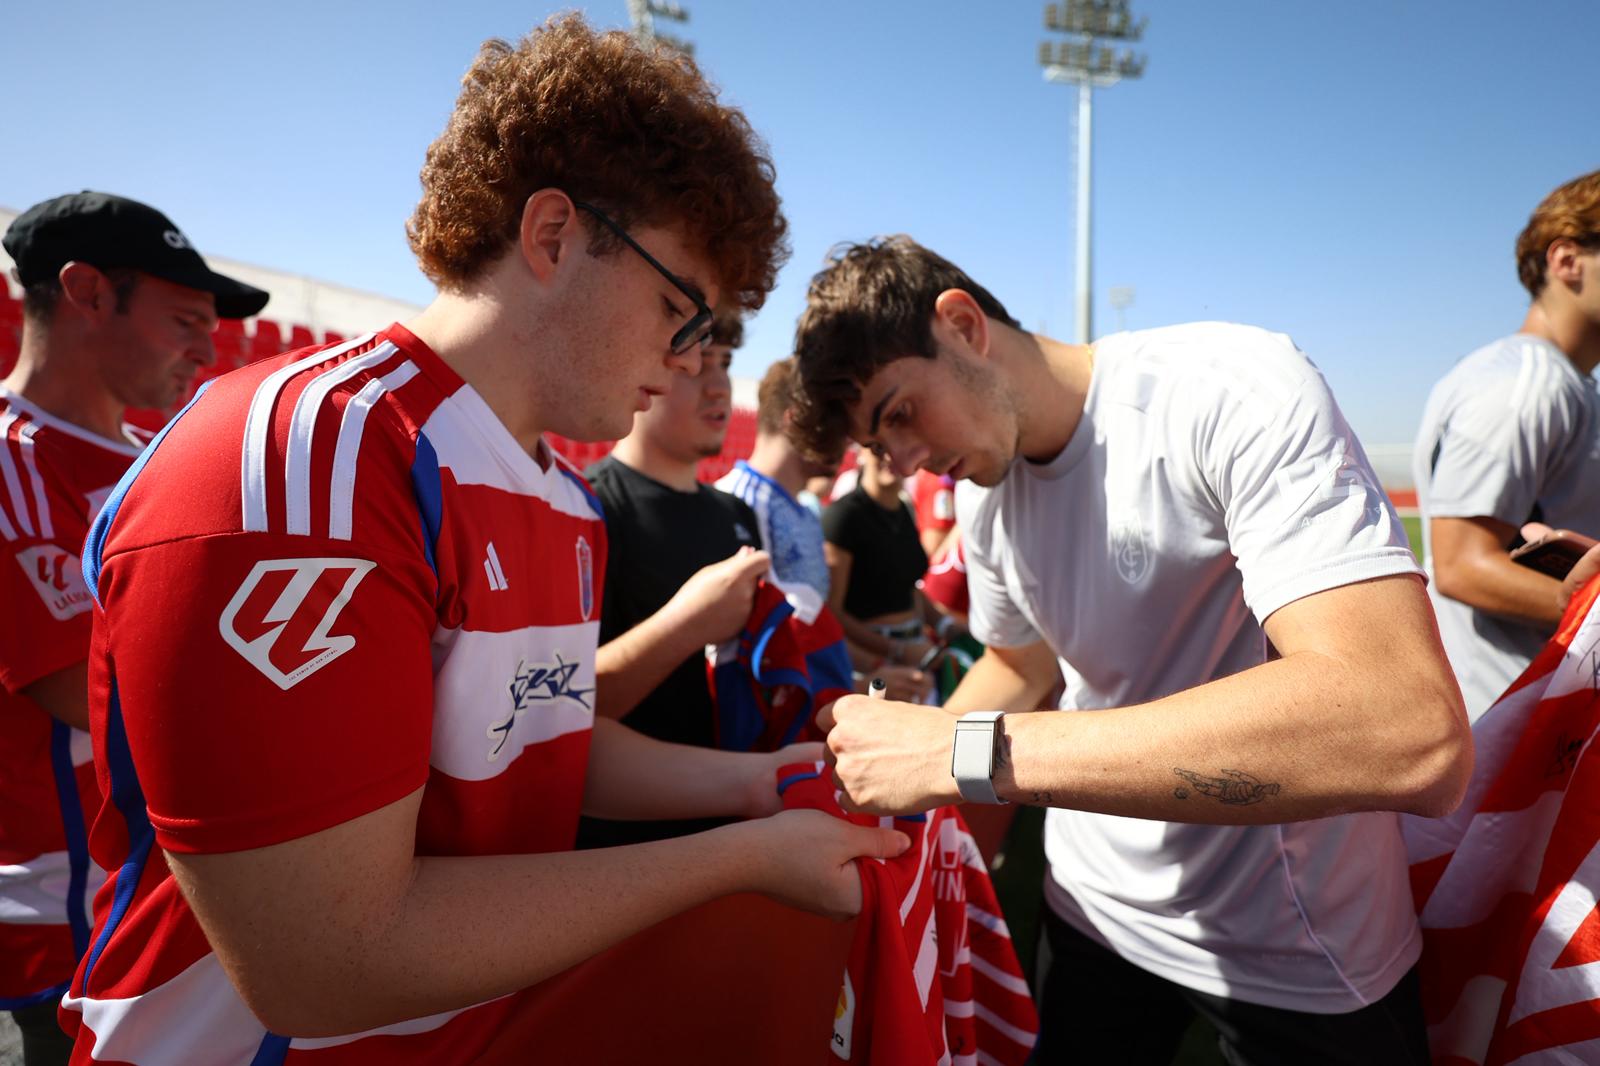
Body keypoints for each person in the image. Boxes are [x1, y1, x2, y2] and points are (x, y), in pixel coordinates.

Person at [59, 20, 907, 1064]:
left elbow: (540, 745)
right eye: (680, 308)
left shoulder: (558, 493)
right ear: (551, 235)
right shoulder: (302, 458)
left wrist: (765, 781)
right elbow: (321, 961)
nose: (689, 358)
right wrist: (742, 855)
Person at [789, 236, 1472, 1065]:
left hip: (1298, 943)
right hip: (1094, 906)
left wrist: (961, 749)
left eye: (898, 412)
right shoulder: (985, 496)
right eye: (878, 444)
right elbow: (1024, 664)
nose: (904, 460)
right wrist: (894, 786)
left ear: (963, 324)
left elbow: (1404, 727)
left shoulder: (1227, 389)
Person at [0, 192, 267, 1066]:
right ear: (84, 292)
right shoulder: (11, 460)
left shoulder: (171, 455)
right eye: (187, 318)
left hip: (179, 905)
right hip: (54, 928)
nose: (209, 345)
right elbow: (88, 693)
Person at [1413, 169, 1600, 722]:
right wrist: (1588, 612)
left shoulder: (1562, 384)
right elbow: (1462, 565)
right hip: (1509, 724)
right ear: (1567, 261)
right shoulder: (1524, 386)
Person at [578, 312, 769, 846]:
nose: (718, 384)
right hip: (622, 841)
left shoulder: (736, 513)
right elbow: (561, 707)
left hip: (727, 820)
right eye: (696, 362)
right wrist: (685, 625)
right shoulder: (586, 507)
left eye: (726, 362)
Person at [716, 357, 835, 621]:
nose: (846, 438)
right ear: (794, 421)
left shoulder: (805, 510)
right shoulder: (738, 502)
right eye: (834, 421)